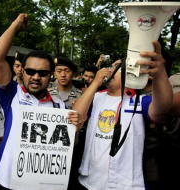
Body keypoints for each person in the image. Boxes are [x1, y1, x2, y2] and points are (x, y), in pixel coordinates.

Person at [0, 13, 82, 189]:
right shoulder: (11, 93)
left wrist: (75, 128)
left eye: (43, 73)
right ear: (22, 71)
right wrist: (15, 25)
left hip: (39, 183)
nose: (36, 77)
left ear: (50, 75)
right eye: (30, 71)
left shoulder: (59, 106)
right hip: (4, 179)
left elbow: (64, 147)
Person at [73, 41, 173, 190]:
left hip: (127, 184)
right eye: (110, 66)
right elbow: (76, 116)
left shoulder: (140, 101)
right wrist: (94, 84)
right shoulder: (96, 97)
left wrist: (160, 74)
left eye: (115, 67)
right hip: (90, 181)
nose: (109, 70)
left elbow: (162, 108)